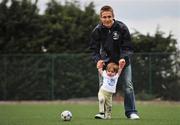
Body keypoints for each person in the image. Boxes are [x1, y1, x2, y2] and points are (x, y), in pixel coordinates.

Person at [89, 5, 140, 120]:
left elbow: (127, 47)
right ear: (100, 18)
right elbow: (94, 49)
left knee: (128, 86)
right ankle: (104, 113)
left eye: (109, 17)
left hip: (123, 62)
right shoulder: (97, 30)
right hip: (106, 64)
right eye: (104, 17)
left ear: (113, 16)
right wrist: (98, 60)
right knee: (103, 87)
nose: (107, 19)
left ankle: (131, 112)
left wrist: (123, 58)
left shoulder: (122, 28)